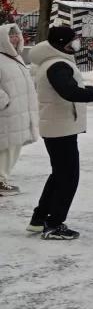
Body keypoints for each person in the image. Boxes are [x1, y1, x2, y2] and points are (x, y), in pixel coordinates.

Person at [28, 26, 93, 239]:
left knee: (59, 175)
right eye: (75, 39)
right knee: (68, 178)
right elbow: (71, 92)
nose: (78, 43)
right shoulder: (57, 65)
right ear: (63, 42)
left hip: (60, 125)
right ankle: (54, 225)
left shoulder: (56, 62)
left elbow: (76, 88)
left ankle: (39, 220)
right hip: (60, 128)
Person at [0, 24, 39, 196]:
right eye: (10, 36)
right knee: (6, 149)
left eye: (17, 35)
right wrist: (4, 101)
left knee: (12, 148)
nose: (15, 39)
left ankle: (2, 178)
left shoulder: (15, 58)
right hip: (6, 113)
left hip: (17, 114)